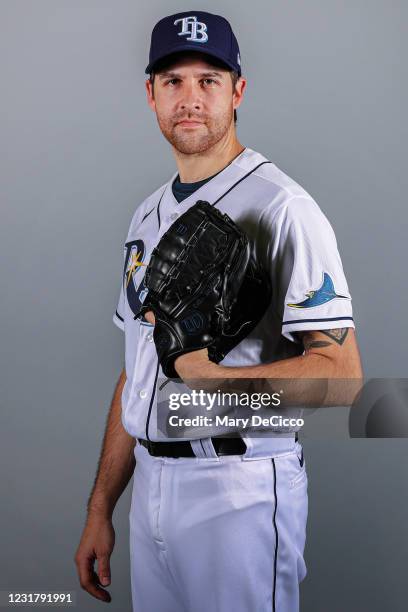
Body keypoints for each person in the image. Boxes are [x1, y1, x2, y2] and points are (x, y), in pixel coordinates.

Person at [74, 10, 363, 612]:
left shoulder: (282, 206)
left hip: (240, 488)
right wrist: (102, 506)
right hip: (151, 484)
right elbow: (138, 371)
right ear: (150, 93)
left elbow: (341, 377)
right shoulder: (146, 215)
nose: (190, 99)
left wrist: (210, 381)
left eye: (208, 80)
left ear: (238, 91)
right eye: (173, 81)